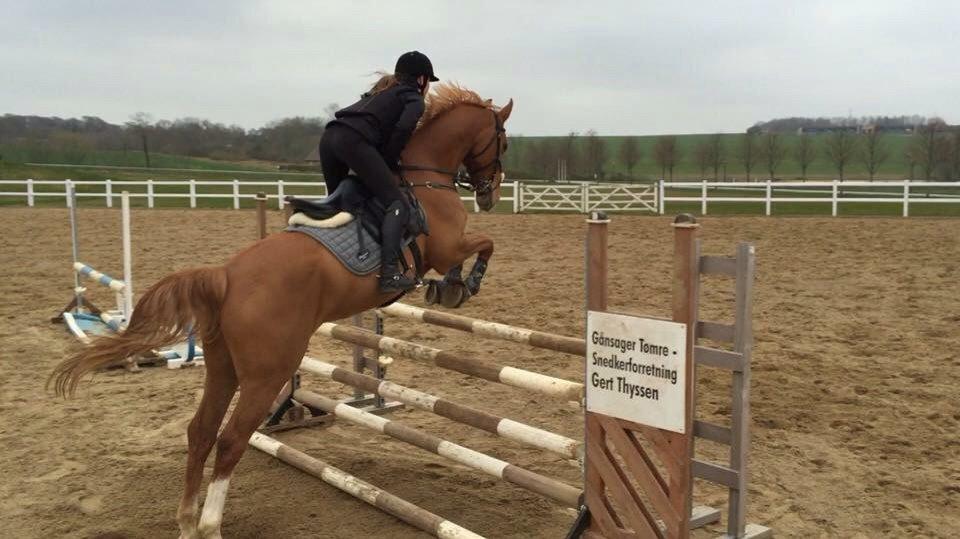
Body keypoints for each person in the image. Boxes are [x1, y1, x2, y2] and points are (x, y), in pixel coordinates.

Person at [319, 51, 439, 293]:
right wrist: (389, 160)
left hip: (329, 137)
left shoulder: (382, 95)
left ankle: (335, 260)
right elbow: (403, 128)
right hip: (352, 141)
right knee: (397, 203)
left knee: (342, 202)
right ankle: (389, 275)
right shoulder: (414, 99)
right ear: (421, 79)